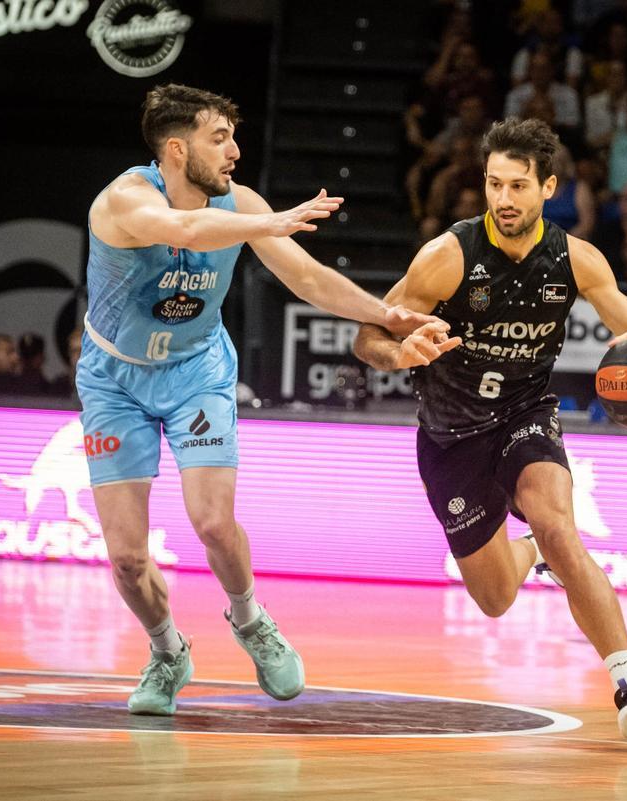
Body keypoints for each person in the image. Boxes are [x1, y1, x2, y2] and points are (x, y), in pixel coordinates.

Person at [81, 84, 439, 717]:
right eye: (219, 138)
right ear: (176, 149)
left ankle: (251, 620)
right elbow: (184, 228)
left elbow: (306, 277)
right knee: (128, 559)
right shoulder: (124, 200)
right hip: (115, 380)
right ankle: (167, 652)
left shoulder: (240, 203)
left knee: (213, 523)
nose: (235, 152)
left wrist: (387, 316)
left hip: (196, 371)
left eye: (233, 137)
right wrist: (266, 222)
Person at [353, 117, 627, 752]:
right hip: (451, 437)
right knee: (496, 598)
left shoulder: (576, 259)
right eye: (494, 184)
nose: (504, 199)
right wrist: (398, 355)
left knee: (560, 526)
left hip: (524, 414)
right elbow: (369, 334)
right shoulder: (447, 256)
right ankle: (533, 552)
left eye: (518, 186)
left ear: (548, 188)